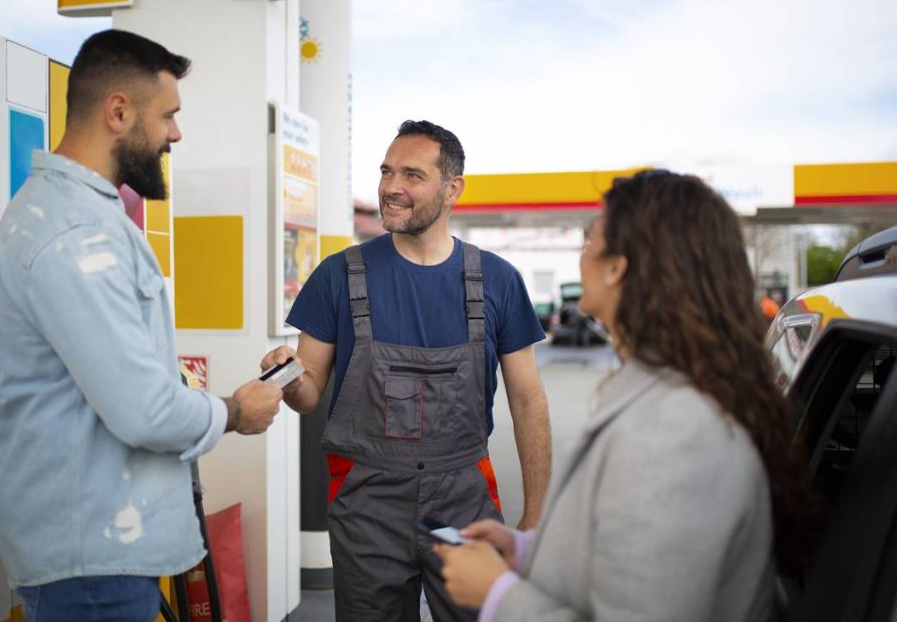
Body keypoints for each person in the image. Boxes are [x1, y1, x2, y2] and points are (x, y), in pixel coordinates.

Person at [0, 29, 284, 622]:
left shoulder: (79, 215)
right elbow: (144, 411)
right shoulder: (75, 233)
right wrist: (234, 411)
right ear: (118, 111)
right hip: (93, 561)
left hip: (97, 551)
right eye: (168, 115)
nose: (176, 133)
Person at [437, 170, 813, 621]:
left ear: (618, 267)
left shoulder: (674, 431)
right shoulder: (674, 392)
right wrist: (524, 551)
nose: (583, 251)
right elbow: (636, 542)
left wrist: (496, 594)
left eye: (591, 236)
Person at [261, 120, 553, 621]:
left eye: (412, 175)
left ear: (452, 188)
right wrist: (287, 375)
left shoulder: (498, 281)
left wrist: (535, 515)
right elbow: (308, 393)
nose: (391, 187)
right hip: (367, 504)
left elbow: (528, 400)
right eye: (386, 171)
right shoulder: (339, 274)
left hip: (464, 503)